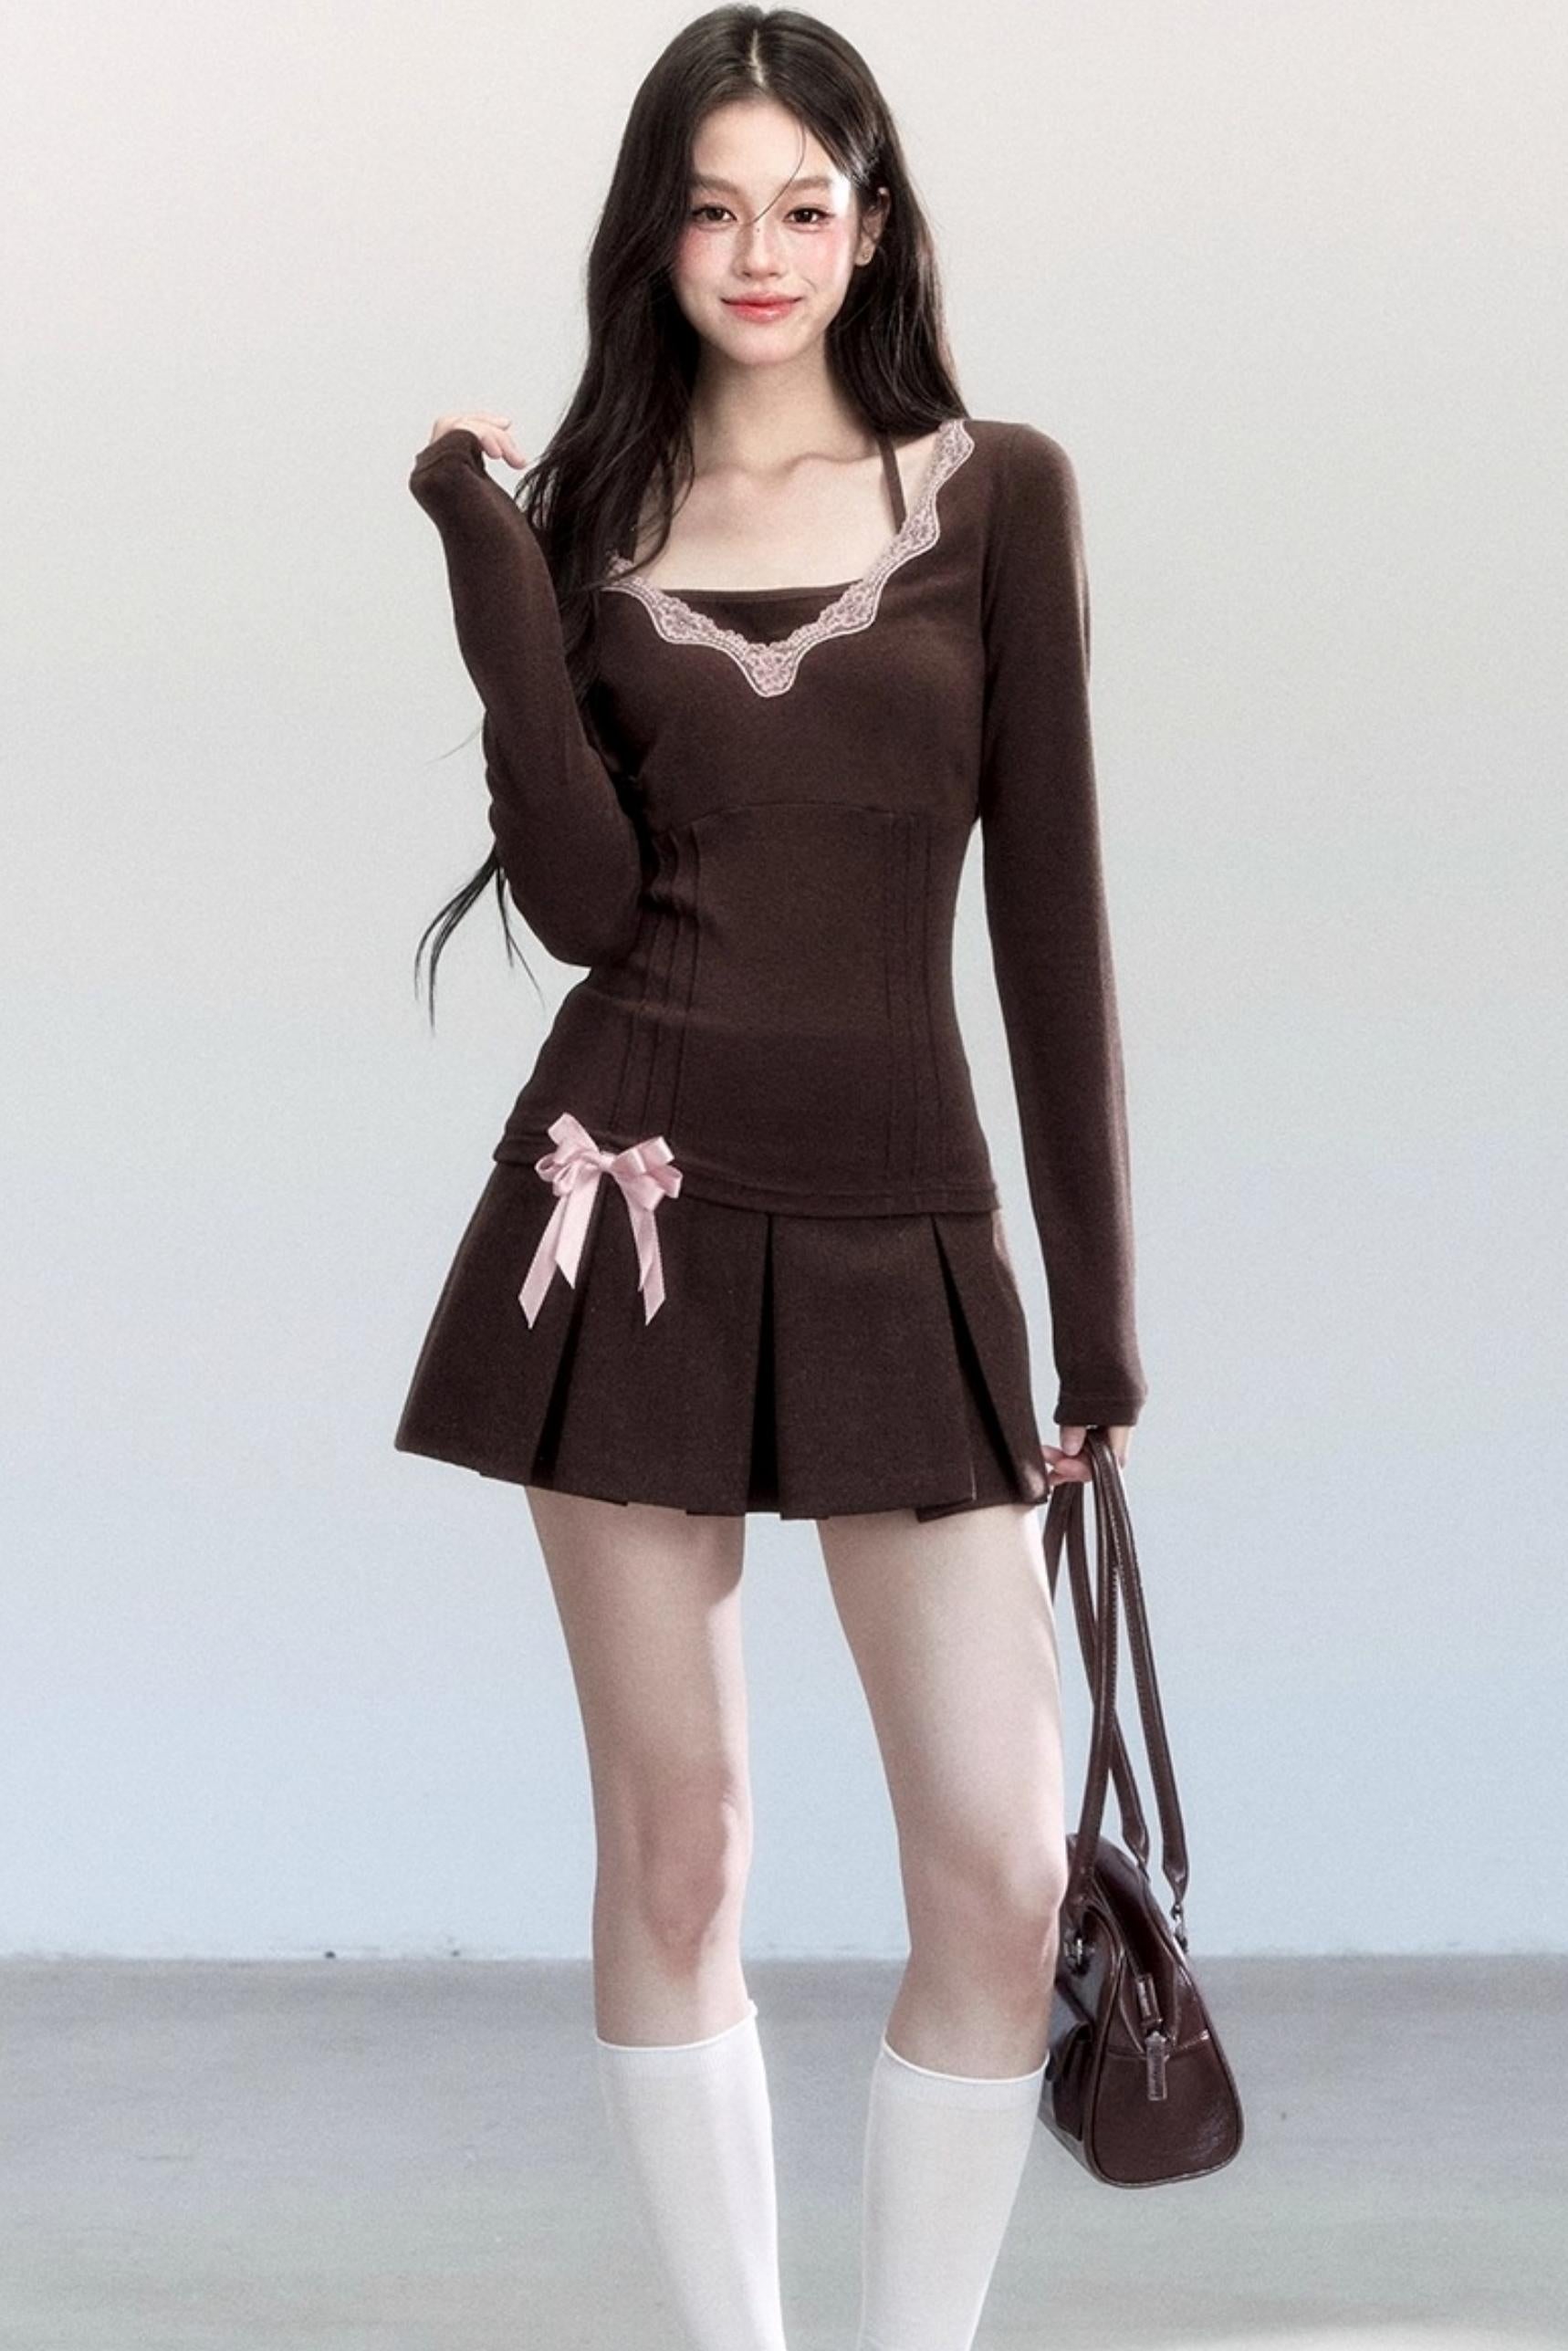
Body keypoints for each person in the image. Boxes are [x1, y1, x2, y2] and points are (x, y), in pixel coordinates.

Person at [394, 9, 1147, 2347]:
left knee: (999, 1875)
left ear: (872, 225)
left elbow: (1051, 925)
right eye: (712, 208)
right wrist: (490, 565)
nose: (757, 251)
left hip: (902, 1224)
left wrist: (1093, 1326)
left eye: (803, 205)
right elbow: (583, 903)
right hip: (621, 1211)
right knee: (681, 1843)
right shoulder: (586, 530)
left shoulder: (999, 494)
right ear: (655, 233)